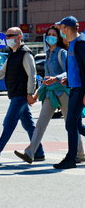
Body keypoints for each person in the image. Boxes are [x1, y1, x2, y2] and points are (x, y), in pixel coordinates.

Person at [14, 26, 85, 163]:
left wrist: (56, 78)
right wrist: (36, 94)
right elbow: (46, 78)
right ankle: (30, 153)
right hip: (50, 93)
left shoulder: (62, 53)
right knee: (40, 123)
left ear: (58, 38)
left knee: (71, 124)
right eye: (49, 34)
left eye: (53, 34)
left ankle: (80, 153)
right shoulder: (48, 54)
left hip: (64, 92)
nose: (50, 37)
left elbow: (68, 73)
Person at [0, 27, 45, 162]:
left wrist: (30, 93)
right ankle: (39, 152)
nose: (7, 39)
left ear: (19, 37)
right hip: (16, 94)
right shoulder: (13, 53)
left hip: (21, 94)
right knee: (28, 125)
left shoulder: (25, 53)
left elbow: (32, 75)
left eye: (10, 36)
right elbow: (2, 71)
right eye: (6, 36)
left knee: (9, 123)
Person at [53, 16, 85, 169]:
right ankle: (71, 157)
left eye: (61, 28)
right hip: (74, 88)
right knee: (77, 125)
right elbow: (76, 69)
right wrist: (68, 80)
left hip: (80, 90)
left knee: (71, 123)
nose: (60, 31)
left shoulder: (80, 44)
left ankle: (71, 158)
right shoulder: (72, 44)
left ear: (66, 28)